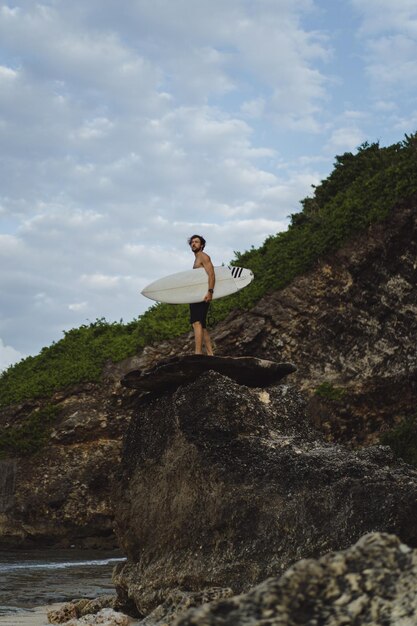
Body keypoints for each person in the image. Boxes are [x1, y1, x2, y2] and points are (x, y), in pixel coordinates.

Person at [188, 234, 215, 355]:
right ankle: (210, 354)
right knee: (202, 326)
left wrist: (210, 292)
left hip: (202, 295)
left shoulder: (204, 257)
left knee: (196, 322)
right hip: (197, 294)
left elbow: (212, 275)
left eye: (196, 242)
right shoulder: (196, 258)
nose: (194, 244)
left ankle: (198, 353)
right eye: (192, 242)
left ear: (202, 245)